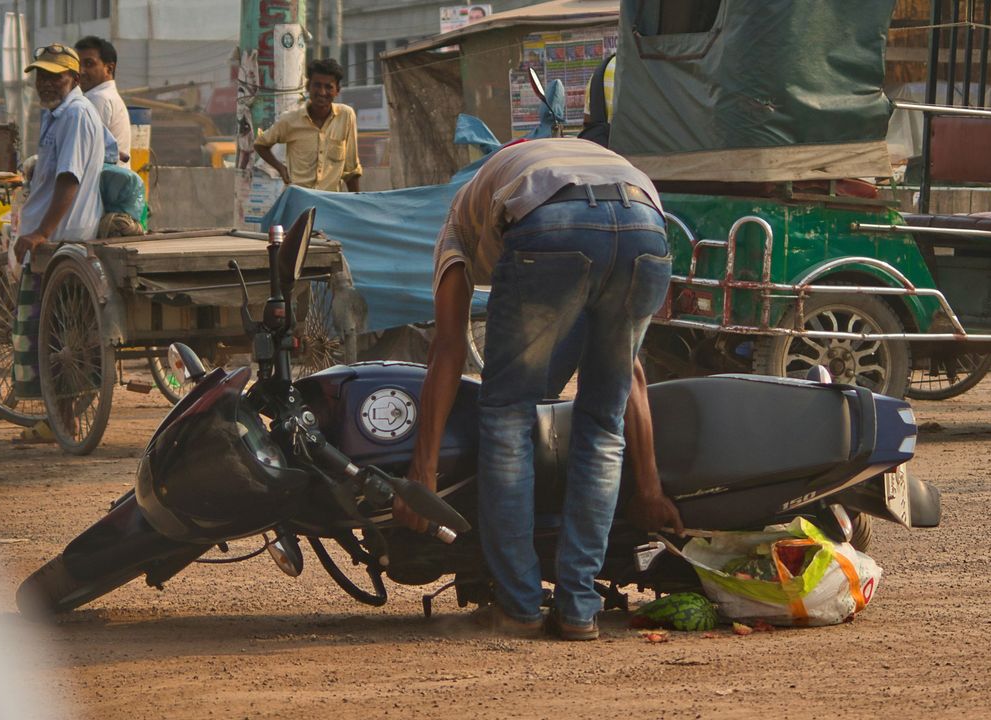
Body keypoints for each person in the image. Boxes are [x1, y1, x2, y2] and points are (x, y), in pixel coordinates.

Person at [393, 138, 679, 641]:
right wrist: (650, 490)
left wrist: (422, 475)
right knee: (601, 424)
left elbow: (448, 349)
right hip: (647, 223)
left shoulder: (457, 226)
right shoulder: (537, 164)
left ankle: (520, 606)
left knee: (507, 416)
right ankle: (578, 610)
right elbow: (629, 372)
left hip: (553, 223)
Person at [10, 43, 105, 404]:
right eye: (41, 76)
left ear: (74, 78)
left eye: (55, 76)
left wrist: (41, 232)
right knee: (55, 335)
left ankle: (62, 418)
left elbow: (70, 179)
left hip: (61, 240)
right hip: (50, 240)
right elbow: (115, 152)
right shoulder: (59, 114)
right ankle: (57, 416)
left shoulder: (76, 114)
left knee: (58, 339)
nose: (46, 83)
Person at [254, 58, 361, 192]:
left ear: (337, 90)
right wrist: (281, 169)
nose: (322, 92)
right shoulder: (290, 120)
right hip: (298, 201)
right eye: (317, 85)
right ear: (308, 87)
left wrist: (356, 205)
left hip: (329, 202)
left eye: (328, 87)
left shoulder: (346, 116)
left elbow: (351, 170)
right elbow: (260, 144)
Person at [74, 35, 131, 167]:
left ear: (109, 68)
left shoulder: (99, 99)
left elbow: (82, 151)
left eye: (89, 64)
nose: (81, 71)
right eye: (77, 64)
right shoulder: (107, 96)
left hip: (103, 185)